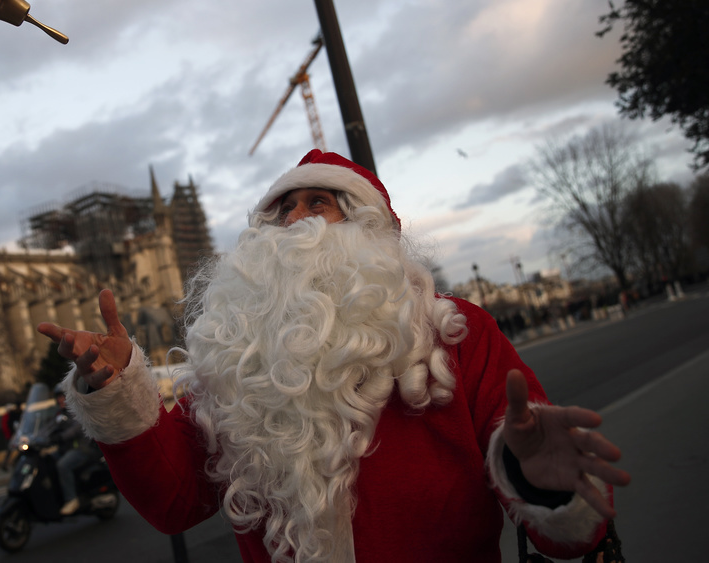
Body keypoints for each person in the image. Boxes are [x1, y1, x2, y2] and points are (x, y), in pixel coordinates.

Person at [38, 149, 631, 562]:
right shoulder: (236, 362)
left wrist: (545, 485)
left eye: (317, 203)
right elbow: (174, 502)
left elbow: (571, 536)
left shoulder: (458, 333)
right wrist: (118, 391)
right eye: (280, 211)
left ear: (367, 229)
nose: (293, 221)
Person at [44, 386, 102, 515]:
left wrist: (61, 437)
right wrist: (37, 437)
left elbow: (76, 428)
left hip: (82, 449)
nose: (60, 400)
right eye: (58, 397)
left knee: (62, 465)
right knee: (47, 462)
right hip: (67, 449)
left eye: (63, 396)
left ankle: (71, 499)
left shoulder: (77, 411)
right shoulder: (60, 413)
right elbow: (49, 427)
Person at [0, 401, 22, 471]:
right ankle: (8, 464)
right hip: (10, 437)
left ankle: (11, 463)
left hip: (12, 436)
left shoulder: (10, 416)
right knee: (11, 451)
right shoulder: (8, 416)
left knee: (16, 450)